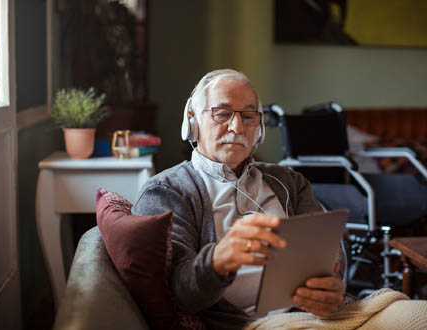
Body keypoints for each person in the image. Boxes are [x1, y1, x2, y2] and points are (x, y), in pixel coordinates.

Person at [133, 69, 427, 329]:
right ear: (193, 122)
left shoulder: (289, 181)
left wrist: (331, 286)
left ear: (258, 129)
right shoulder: (166, 191)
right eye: (222, 114)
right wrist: (217, 261)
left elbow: (331, 251)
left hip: (327, 316)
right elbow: (177, 296)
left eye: (248, 116)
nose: (237, 128)